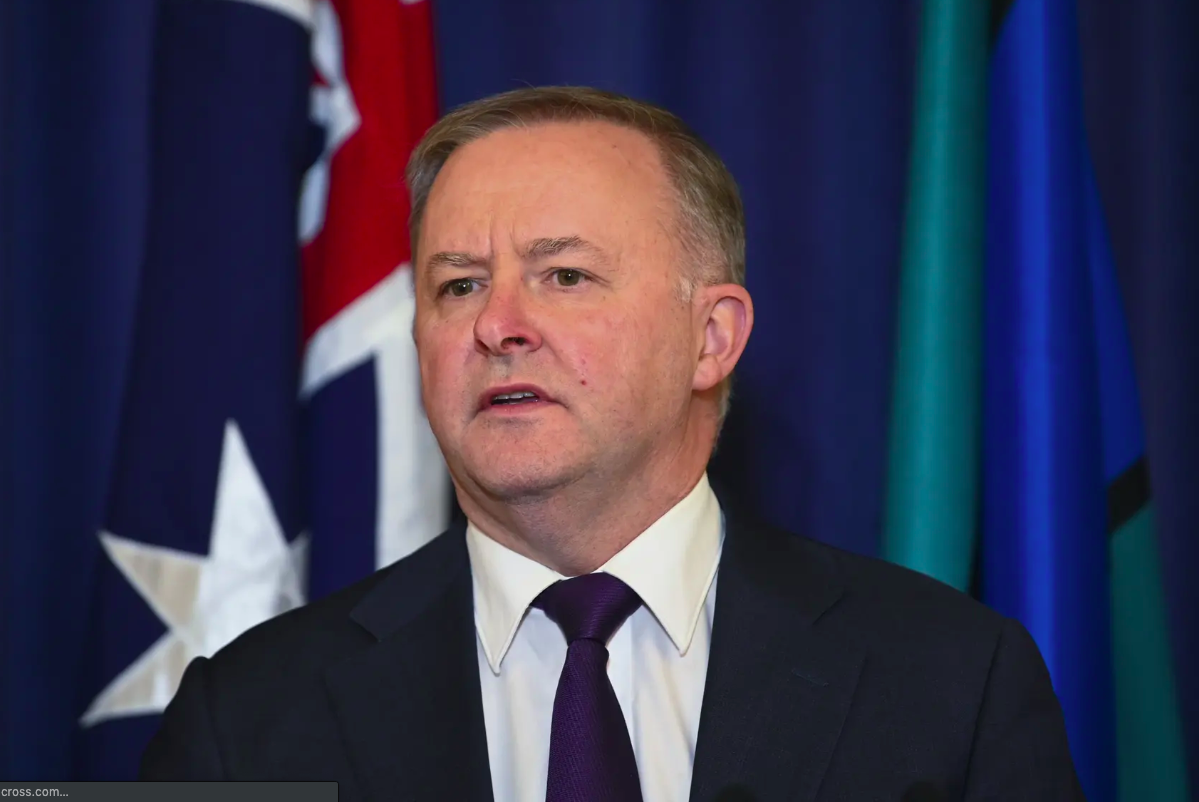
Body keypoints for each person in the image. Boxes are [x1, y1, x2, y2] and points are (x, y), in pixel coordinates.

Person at [140, 86, 1083, 801]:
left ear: (710, 338)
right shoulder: (248, 716)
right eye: (459, 285)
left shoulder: (950, 681)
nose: (497, 324)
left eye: (565, 275)